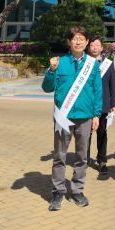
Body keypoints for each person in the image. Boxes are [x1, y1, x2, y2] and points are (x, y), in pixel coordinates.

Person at [42, 26, 102, 211]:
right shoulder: (59, 63)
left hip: (85, 116)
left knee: (82, 157)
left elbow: (97, 90)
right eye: (75, 38)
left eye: (81, 38)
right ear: (69, 42)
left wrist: (97, 114)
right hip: (63, 117)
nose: (78, 41)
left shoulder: (93, 64)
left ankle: (77, 191)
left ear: (86, 42)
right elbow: (47, 87)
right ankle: (58, 191)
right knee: (59, 156)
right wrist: (52, 71)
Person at [87, 35, 115, 179]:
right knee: (85, 134)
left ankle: (102, 160)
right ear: (89, 47)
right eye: (92, 45)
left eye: (97, 45)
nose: (94, 47)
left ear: (101, 48)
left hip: (104, 105)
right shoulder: (84, 63)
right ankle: (84, 159)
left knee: (102, 133)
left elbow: (112, 85)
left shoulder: (108, 64)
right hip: (87, 104)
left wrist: (114, 103)